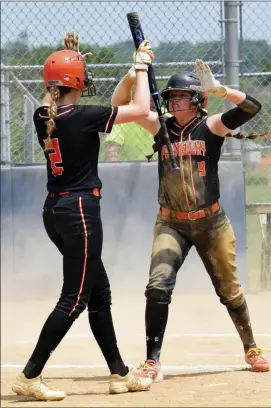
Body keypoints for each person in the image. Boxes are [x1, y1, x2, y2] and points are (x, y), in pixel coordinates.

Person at [11, 31, 154, 401]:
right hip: (79, 211)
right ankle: (30, 375)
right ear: (76, 83)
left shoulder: (43, 114)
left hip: (55, 210)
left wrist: (70, 60)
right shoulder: (85, 116)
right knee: (75, 298)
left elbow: (55, 99)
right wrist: (140, 69)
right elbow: (140, 110)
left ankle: (119, 374)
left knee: (99, 292)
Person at [111, 58, 270, 382]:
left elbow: (253, 107)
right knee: (157, 287)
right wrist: (134, 75)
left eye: (182, 95)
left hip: (211, 223)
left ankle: (251, 347)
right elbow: (118, 105)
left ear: (198, 100)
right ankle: (152, 360)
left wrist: (221, 90)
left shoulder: (211, 126)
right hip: (172, 223)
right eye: (171, 96)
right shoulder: (159, 125)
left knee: (229, 291)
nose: (173, 100)